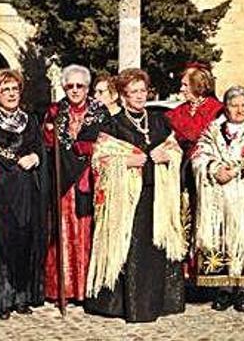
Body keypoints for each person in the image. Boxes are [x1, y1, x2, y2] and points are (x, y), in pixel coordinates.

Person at [83, 68, 186, 322]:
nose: (140, 96)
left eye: (142, 91)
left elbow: (175, 149)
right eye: (133, 92)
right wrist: (126, 161)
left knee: (156, 248)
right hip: (128, 200)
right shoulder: (114, 124)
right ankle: (127, 305)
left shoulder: (159, 121)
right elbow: (100, 158)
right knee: (131, 248)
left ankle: (160, 303)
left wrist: (168, 156)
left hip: (157, 196)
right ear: (123, 95)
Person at [191, 85, 244, 313]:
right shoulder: (214, 130)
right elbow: (199, 154)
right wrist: (214, 169)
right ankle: (225, 288)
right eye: (234, 105)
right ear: (226, 107)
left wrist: (241, 165)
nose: (239, 110)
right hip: (218, 197)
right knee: (221, 239)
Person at [0, 69, 49, 318]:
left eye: (14, 89)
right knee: (3, 244)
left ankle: (23, 296)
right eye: (5, 90)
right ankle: (3, 299)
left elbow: (40, 150)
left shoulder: (30, 121)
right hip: (2, 191)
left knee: (25, 241)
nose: (11, 94)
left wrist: (35, 157)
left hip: (27, 191)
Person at [42, 64, 109, 303]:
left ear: (88, 88)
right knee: (63, 232)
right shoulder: (55, 112)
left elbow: (107, 142)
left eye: (79, 86)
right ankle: (64, 288)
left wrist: (89, 148)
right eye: (69, 86)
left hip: (90, 180)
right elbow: (46, 145)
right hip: (63, 183)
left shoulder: (100, 111)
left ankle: (86, 288)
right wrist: (49, 135)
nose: (75, 90)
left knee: (87, 231)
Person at [165, 63, 223, 279]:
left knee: (208, 222)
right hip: (183, 172)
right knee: (184, 220)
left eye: (184, 85)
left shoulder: (216, 110)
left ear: (197, 86)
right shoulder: (177, 113)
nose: (181, 89)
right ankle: (184, 274)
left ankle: (211, 276)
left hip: (208, 174)